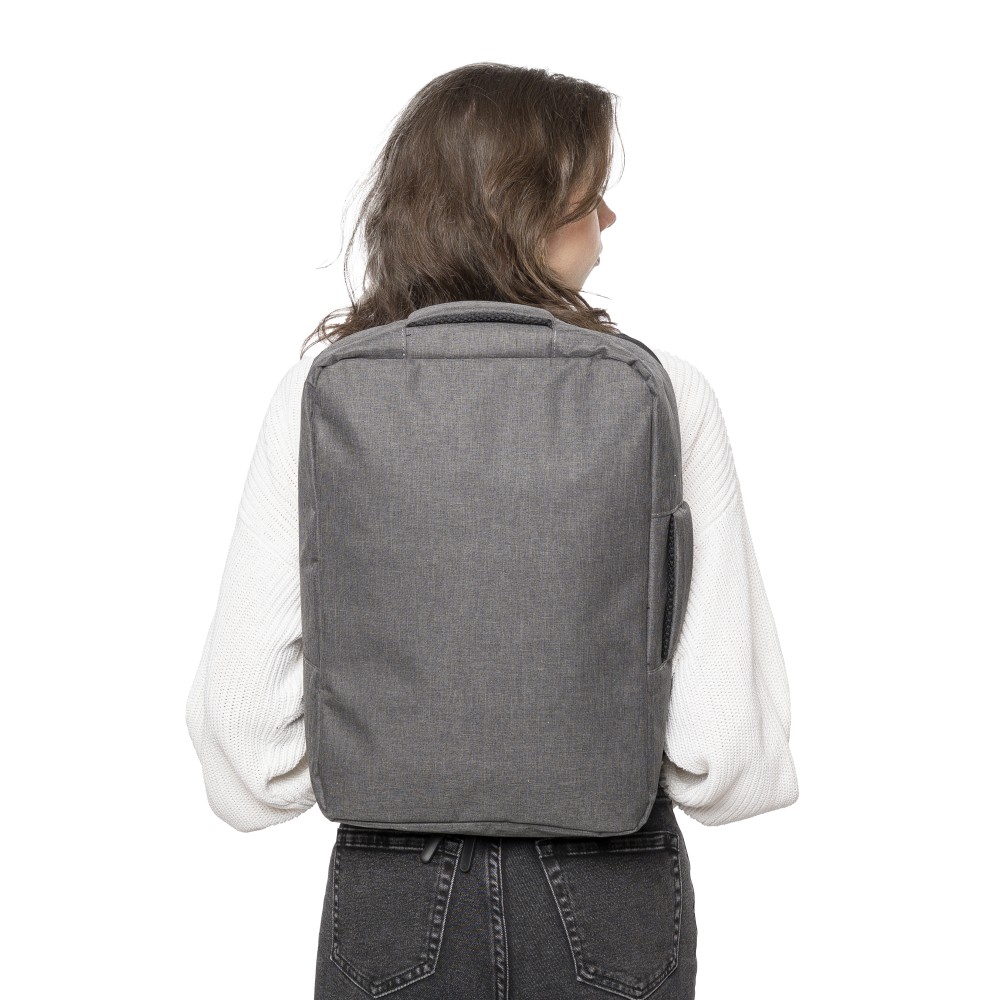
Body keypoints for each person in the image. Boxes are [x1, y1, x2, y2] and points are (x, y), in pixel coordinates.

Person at [185, 62, 799, 1000]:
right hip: (611, 886)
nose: (610, 219)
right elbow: (729, 754)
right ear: (523, 210)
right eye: (590, 196)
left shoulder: (320, 390)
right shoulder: (665, 389)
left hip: (392, 885)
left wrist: (400, 761)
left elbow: (243, 736)